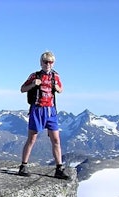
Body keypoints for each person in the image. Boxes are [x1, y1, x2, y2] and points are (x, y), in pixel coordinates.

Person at [18, 51, 70, 179]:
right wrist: (33, 84)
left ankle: (59, 168)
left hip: (51, 110)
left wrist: (57, 88)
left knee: (56, 140)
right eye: (45, 62)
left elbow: (61, 89)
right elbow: (22, 89)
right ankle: (23, 166)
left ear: (53, 63)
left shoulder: (55, 76)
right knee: (32, 139)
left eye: (50, 62)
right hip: (38, 109)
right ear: (41, 63)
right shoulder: (35, 75)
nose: (48, 64)